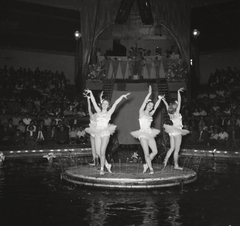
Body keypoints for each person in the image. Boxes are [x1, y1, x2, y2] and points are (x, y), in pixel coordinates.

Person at [84, 88, 130, 175]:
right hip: (97, 132)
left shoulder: (109, 113)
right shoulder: (98, 111)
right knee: (98, 152)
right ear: (102, 104)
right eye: (104, 103)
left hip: (105, 133)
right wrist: (91, 92)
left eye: (106, 104)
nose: (105, 105)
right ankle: (107, 164)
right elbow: (93, 102)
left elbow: (116, 103)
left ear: (108, 105)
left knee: (102, 152)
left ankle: (102, 169)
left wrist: (122, 96)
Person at [130, 85, 163, 174]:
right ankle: (151, 169)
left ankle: (146, 164)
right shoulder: (141, 112)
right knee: (146, 153)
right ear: (146, 105)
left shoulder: (151, 114)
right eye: (149, 105)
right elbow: (144, 102)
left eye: (151, 106)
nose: (151, 107)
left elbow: (156, 107)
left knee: (155, 152)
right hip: (142, 134)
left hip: (149, 133)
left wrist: (159, 99)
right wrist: (149, 93)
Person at [162, 88, 190, 170]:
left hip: (172, 131)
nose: (178, 103)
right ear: (176, 106)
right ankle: (176, 165)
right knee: (177, 149)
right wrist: (178, 92)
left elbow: (167, 106)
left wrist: (163, 100)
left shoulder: (170, 113)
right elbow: (180, 100)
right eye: (177, 103)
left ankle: (165, 161)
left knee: (171, 148)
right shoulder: (177, 112)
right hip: (177, 131)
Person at [83, 91, 103, 166]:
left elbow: (100, 106)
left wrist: (100, 98)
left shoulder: (98, 115)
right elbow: (89, 108)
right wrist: (88, 99)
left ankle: (102, 161)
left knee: (98, 149)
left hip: (97, 133)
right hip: (92, 133)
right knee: (93, 148)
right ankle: (95, 162)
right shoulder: (92, 115)